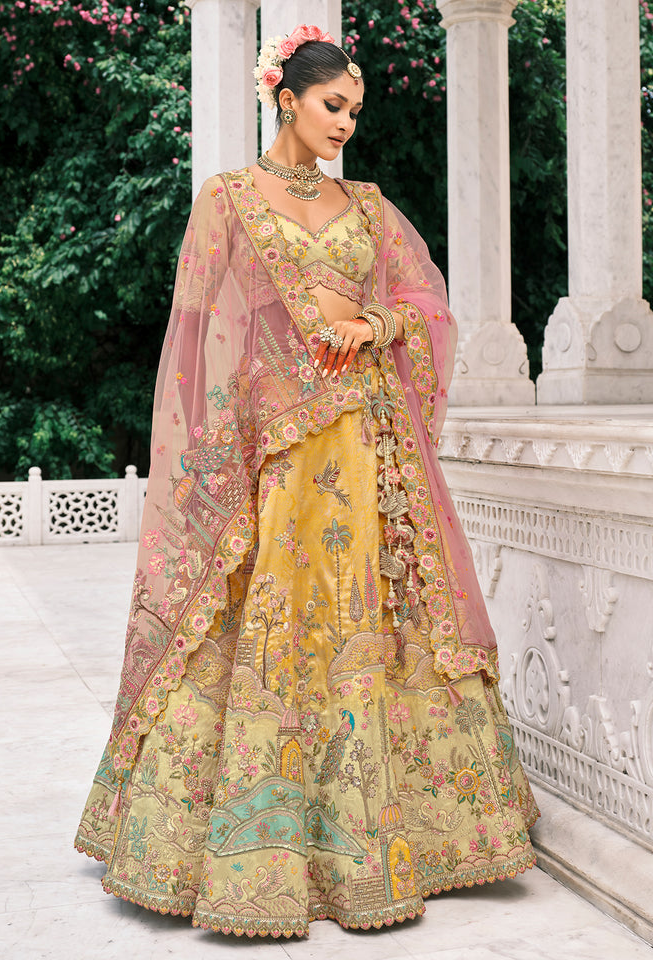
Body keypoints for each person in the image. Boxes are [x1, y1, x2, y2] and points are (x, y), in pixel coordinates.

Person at [74, 23, 539, 939]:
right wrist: (231, 440)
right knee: (271, 626)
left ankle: (398, 840)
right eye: (333, 106)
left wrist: (373, 327)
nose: (346, 125)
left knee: (368, 622)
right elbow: (199, 337)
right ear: (286, 99)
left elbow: (425, 305)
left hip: (364, 447)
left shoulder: (367, 207)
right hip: (275, 454)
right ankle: (250, 851)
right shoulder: (228, 201)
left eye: (355, 112)